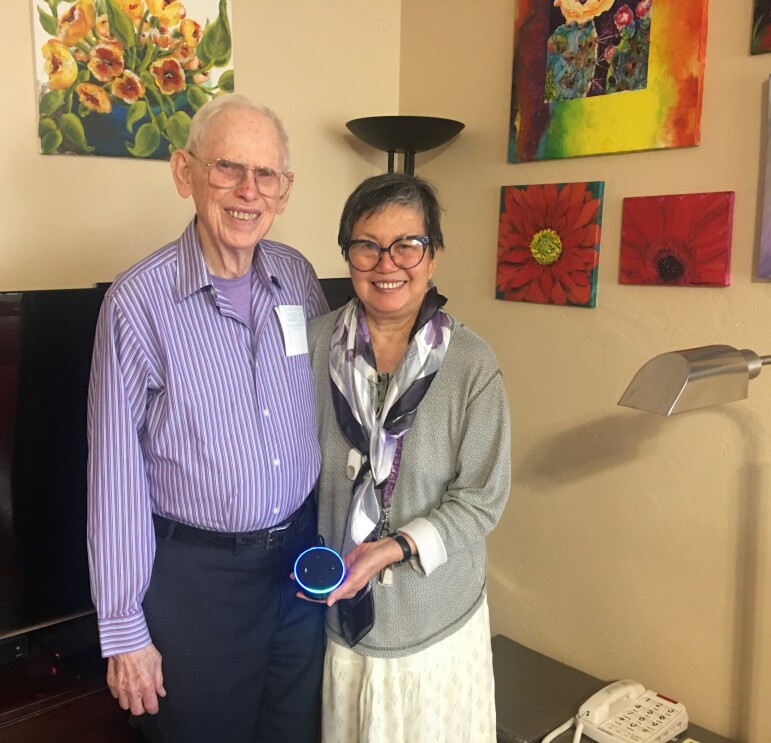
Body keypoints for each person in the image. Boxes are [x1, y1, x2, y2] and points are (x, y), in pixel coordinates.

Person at [87, 93, 329, 743]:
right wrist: (123, 626)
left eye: (266, 175)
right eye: (228, 167)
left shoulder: (298, 278)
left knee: (296, 731)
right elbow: (114, 473)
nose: (248, 191)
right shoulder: (137, 302)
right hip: (199, 582)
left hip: (299, 568)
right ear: (184, 172)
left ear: (284, 190)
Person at [303, 173, 511, 743]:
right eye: (366, 244)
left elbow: (483, 500)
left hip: (433, 625)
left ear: (433, 255)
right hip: (338, 620)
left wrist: (392, 548)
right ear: (348, 254)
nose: (386, 262)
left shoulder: (471, 364)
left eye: (407, 244)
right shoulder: (313, 346)